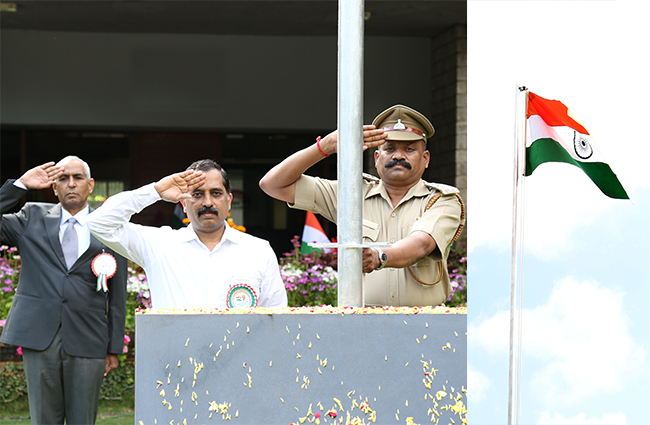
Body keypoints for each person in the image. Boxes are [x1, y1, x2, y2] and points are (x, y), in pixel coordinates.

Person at [259, 105, 465, 307]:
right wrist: (325, 147)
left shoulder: (443, 200)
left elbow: (422, 244)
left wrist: (379, 257)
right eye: (389, 149)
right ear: (376, 158)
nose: (399, 156)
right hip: (363, 322)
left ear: (425, 158)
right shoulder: (351, 195)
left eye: (409, 149)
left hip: (425, 324)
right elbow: (273, 185)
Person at [0, 156, 128, 425]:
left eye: (78, 178)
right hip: (39, 336)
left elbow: (117, 295)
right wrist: (21, 185)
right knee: (44, 420)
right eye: (63, 178)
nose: (71, 184)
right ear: (53, 187)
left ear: (90, 185)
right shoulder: (30, 217)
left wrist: (113, 347)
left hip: (88, 339)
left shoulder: (109, 227)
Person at [87, 159, 287, 309]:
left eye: (216, 193)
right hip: (175, 362)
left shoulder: (258, 250)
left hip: (242, 363)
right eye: (197, 194)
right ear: (183, 203)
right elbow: (98, 223)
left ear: (229, 201)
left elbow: (276, 316)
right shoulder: (159, 245)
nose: (207, 202)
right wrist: (155, 191)